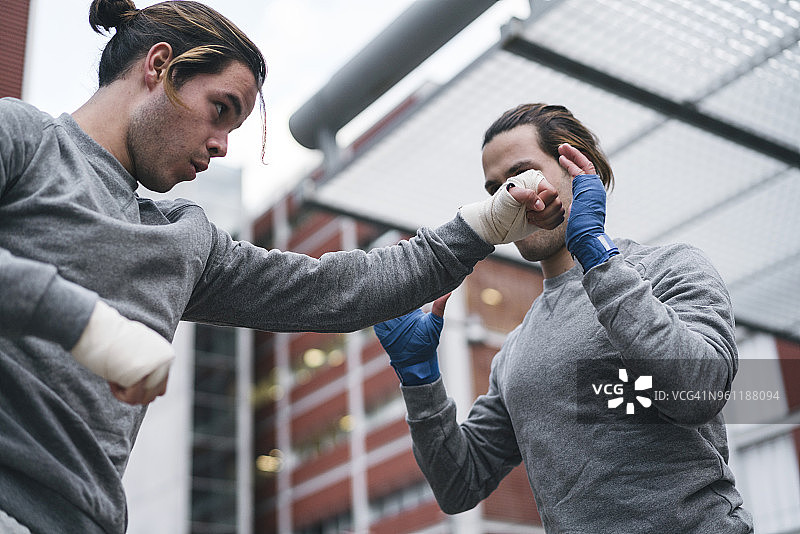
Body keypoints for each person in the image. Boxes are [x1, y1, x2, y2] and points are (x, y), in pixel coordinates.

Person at [0, 2, 566, 532]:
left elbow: (338, 289)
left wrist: (488, 224)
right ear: (159, 66)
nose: (221, 144)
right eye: (220, 109)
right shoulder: (25, 139)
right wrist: (88, 326)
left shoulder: (183, 239)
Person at [374, 103, 753, 533]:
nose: (511, 198)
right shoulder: (516, 351)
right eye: (496, 188)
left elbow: (698, 392)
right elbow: (459, 484)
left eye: (523, 175)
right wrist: (419, 379)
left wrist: (596, 254)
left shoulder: (669, 268)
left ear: (575, 167)